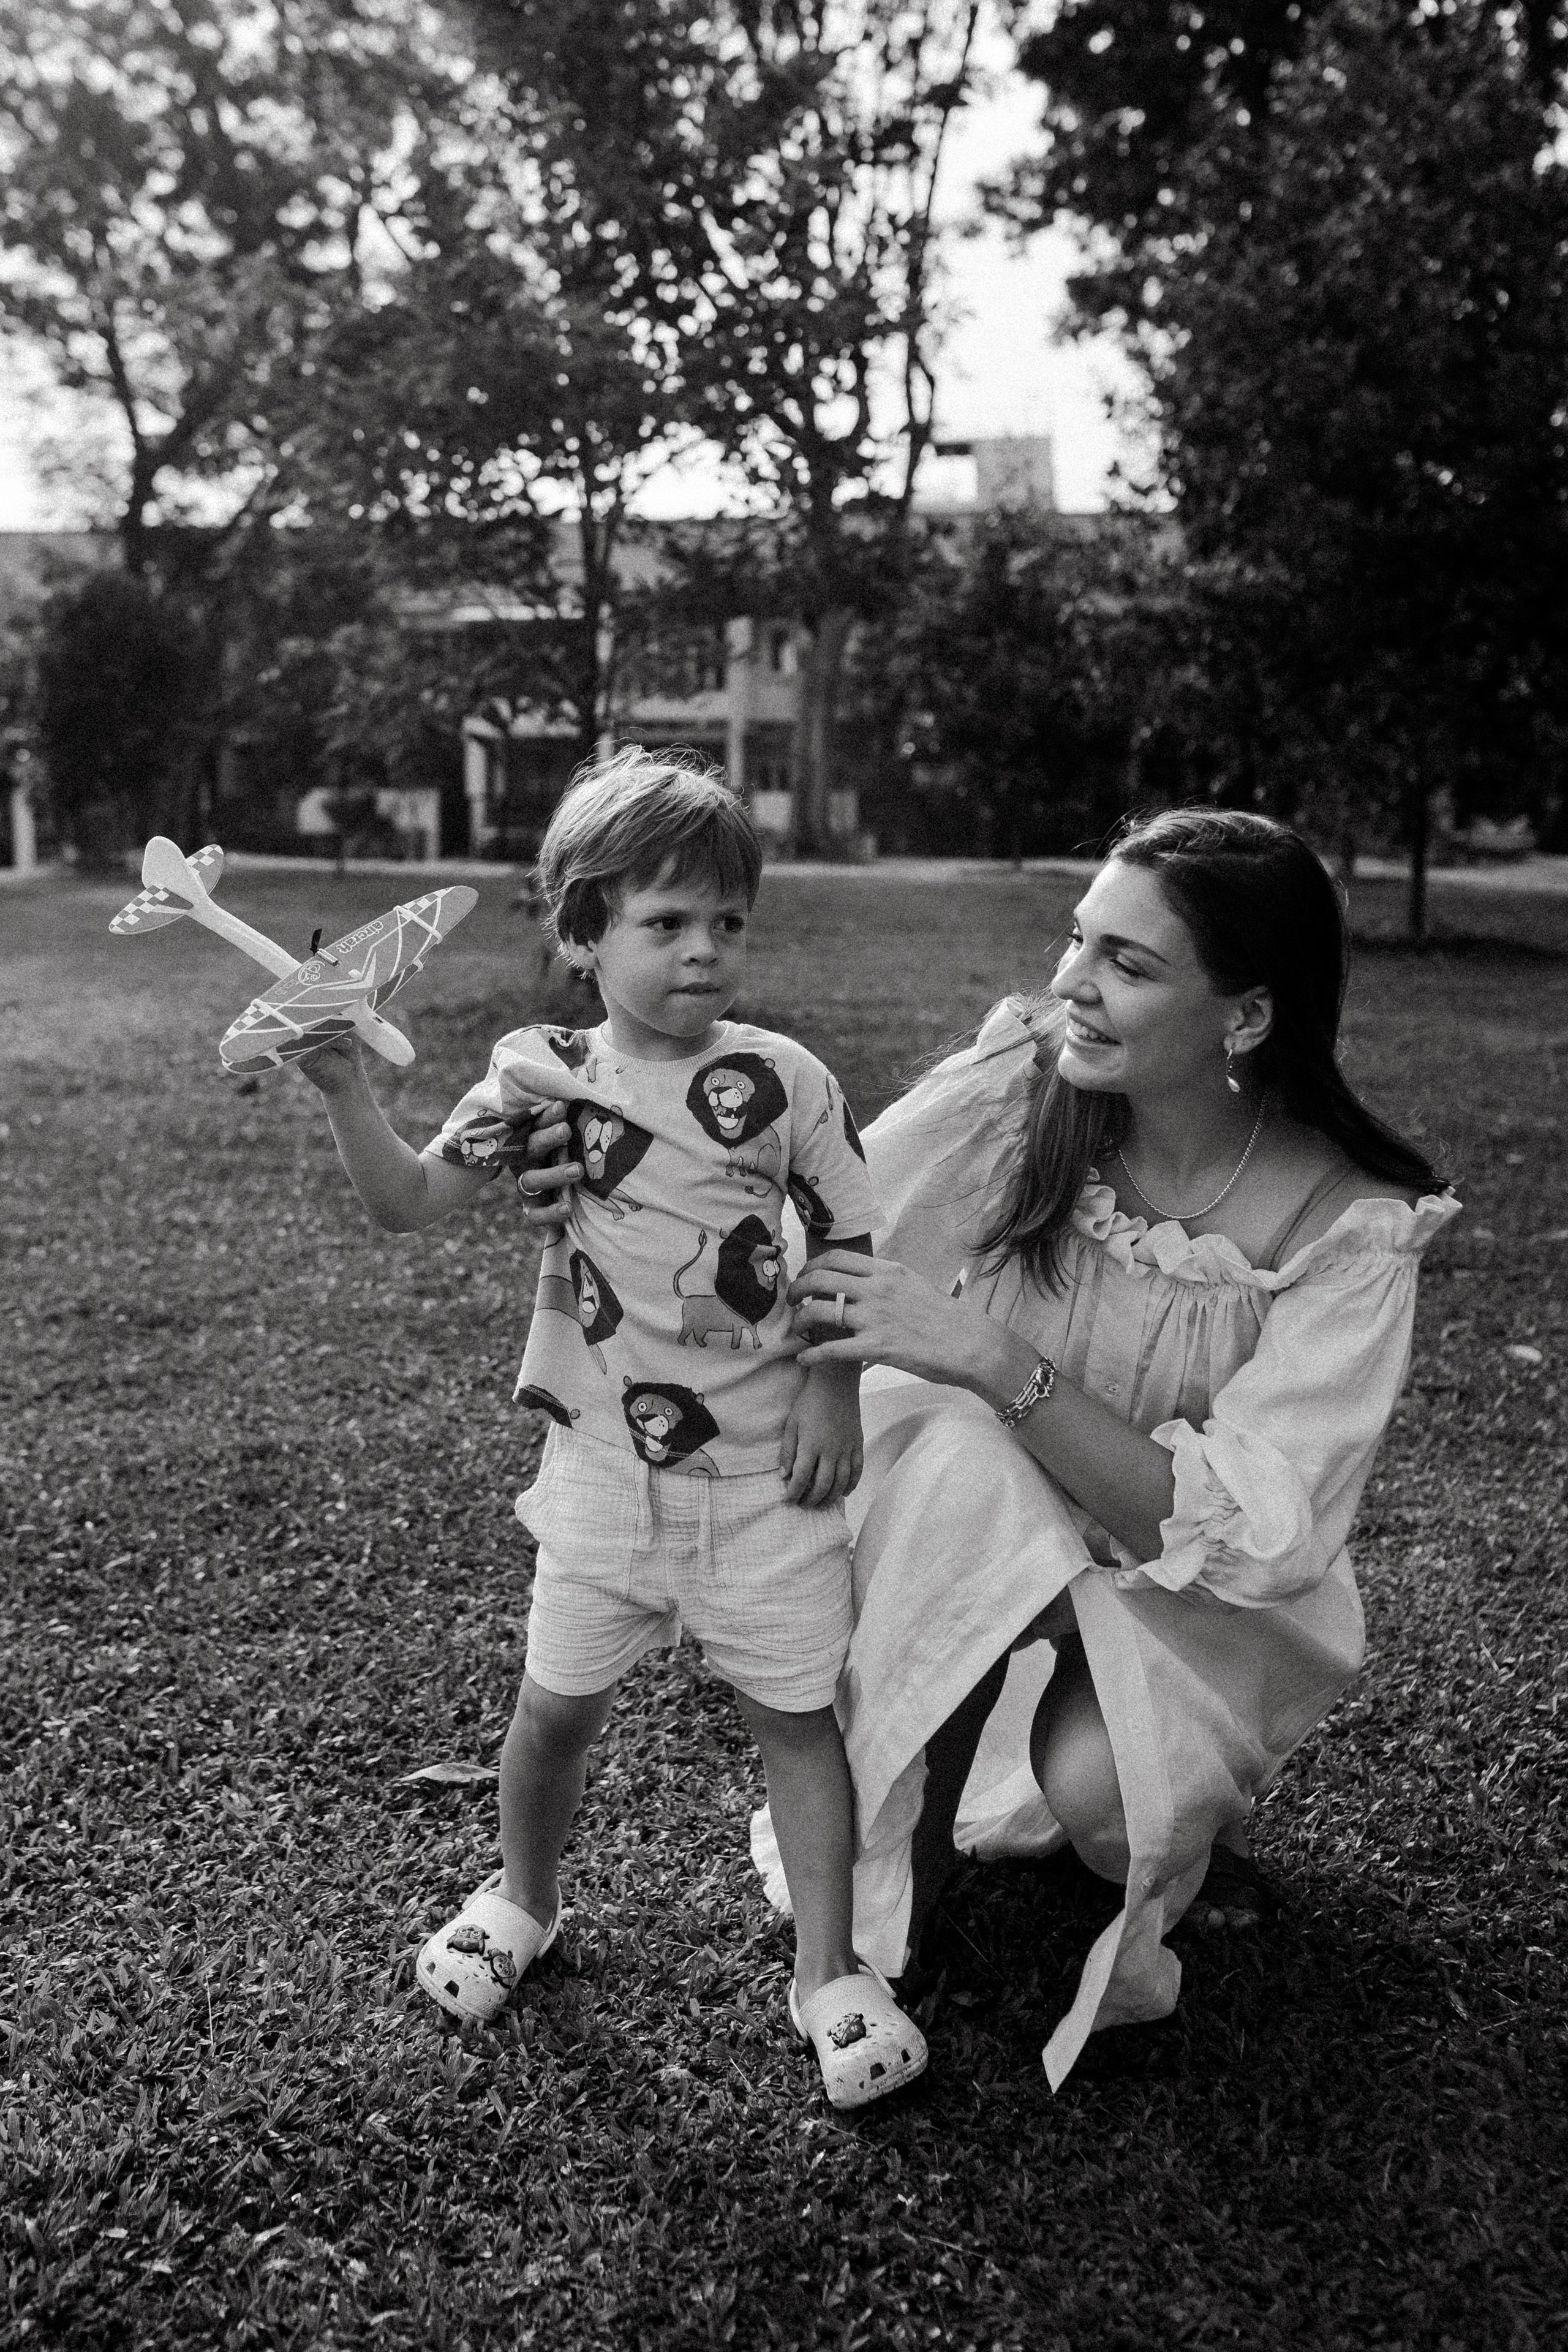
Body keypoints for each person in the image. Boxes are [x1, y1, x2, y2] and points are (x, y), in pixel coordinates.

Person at [747, 806, 1458, 2086]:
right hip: (974, 1518)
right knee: (962, 1459)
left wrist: (992, 1358)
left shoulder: (1344, 1228)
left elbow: (1242, 1541)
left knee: (1103, 1810)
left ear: (1242, 1017)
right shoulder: (1032, 1091)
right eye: (1077, 940)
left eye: (1127, 964)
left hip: (1178, 1587)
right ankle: (897, 1878)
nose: (1069, 982)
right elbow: (830, 1216)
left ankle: (1159, 1807)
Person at [296, 749, 925, 2109]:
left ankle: (830, 1972)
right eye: (663, 923)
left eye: (727, 924)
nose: (704, 953)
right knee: (553, 1713)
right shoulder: (537, 1078)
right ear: (581, 935)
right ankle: (524, 1902)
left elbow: (856, 1236)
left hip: (766, 1481)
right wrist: (349, 1090)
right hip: (602, 1471)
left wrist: (833, 1384)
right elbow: (411, 1201)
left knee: (797, 1725)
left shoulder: (784, 1080)